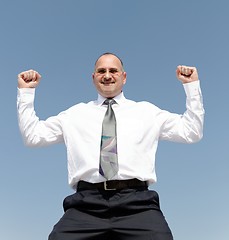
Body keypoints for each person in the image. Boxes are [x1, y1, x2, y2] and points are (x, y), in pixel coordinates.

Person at [17, 52, 204, 240]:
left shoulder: (147, 112)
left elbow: (191, 131)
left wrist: (191, 86)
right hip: (86, 204)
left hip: (137, 203)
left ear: (124, 77)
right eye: (101, 71)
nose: (107, 75)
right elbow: (33, 137)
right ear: (93, 77)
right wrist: (26, 92)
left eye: (113, 70)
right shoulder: (74, 115)